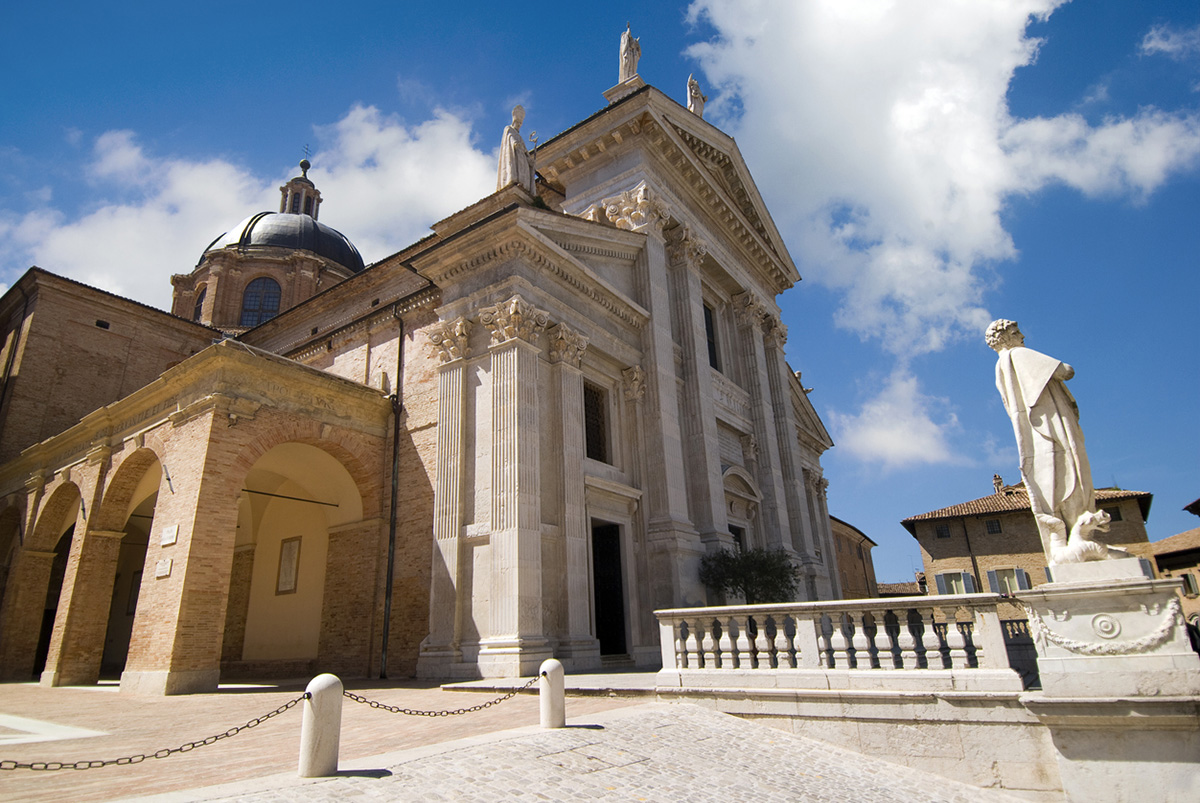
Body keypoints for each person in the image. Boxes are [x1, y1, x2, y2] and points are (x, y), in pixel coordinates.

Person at [986, 319, 1122, 564]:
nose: (1023, 336)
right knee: (1071, 475)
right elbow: (1065, 371)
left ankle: (1076, 535)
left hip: (1039, 430)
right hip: (1052, 425)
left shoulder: (1000, 368)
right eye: (1017, 332)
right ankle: (1080, 529)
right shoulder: (1019, 354)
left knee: (1059, 480)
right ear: (1006, 338)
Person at [496, 105, 534, 193]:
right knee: (514, 167)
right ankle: (515, 181)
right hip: (514, 153)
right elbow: (510, 137)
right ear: (514, 121)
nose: (519, 125)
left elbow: (524, 149)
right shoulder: (508, 129)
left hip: (521, 155)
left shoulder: (520, 137)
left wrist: (529, 158)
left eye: (520, 123)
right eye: (518, 123)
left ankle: (523, 185)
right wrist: (515, 143)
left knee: (522, 168)